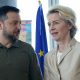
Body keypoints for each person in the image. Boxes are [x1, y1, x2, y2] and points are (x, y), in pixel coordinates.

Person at [0, 5, 42, 80]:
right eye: (14, 23)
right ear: (0, 25)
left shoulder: (28, 49)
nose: (19, 27)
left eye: (20, 23)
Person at [44, 5, 80, 80]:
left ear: (69, 24)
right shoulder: (48, 57)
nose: (51, 28)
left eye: (56, 23)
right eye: (49, 24)